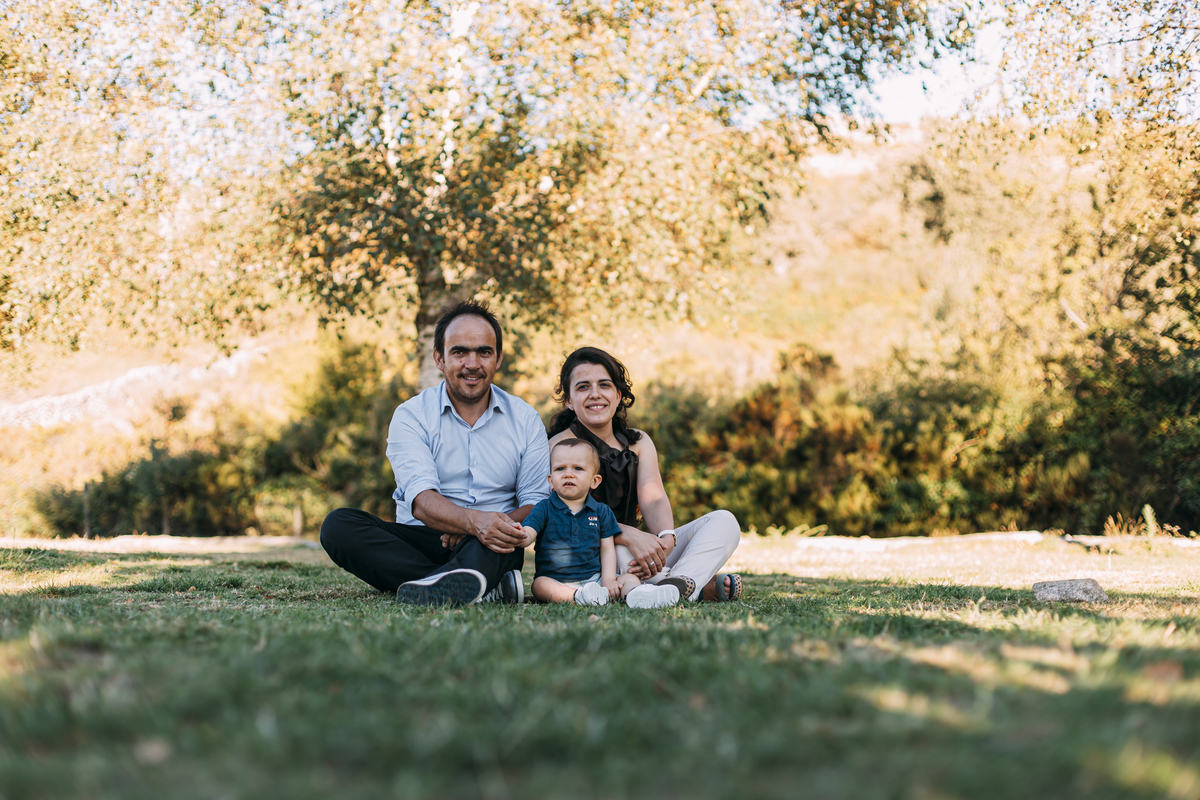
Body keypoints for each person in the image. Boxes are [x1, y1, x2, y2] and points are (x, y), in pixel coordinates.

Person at [320, 300, 550, 606]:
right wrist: (470, 523)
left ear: (498, 359)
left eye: (484, 352)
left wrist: (485, 527)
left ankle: (450, 581)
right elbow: (422, 503)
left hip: (495, 538)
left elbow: (536, 502)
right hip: (423, 539)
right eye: (459, 352)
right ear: (439, 359)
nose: (472, 363)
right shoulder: (411, 415)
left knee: (501, 542)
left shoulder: (525, 418)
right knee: (338, 526)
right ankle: (468, 582)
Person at [546, 347, 744, 606]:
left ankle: (677, 583)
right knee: (619, 551)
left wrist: (665, 539)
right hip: (595, 555)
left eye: (604, 385)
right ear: (569, 400)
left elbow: (653, 499)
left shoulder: (638, 442)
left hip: (637, 553)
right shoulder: (559, 448)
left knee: (724, 521)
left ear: (618, 395)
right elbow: (563, 518)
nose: (595, 394)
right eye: (583, 387)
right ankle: (694, 585)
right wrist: (627, 534)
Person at [521, 438, 678, 607]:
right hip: (556, 580)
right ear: (551, 480)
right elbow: (529, 532)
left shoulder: (601, 511)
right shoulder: (543, 508)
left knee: (628, 579)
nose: (568, 474)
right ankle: (578, 596)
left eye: (578, 468)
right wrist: (521, 535)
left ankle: (637, 595)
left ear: (594, 481)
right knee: (539, 585)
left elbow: (607, 548)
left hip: (595, 580)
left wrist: (609, 581)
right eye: (560, 469)